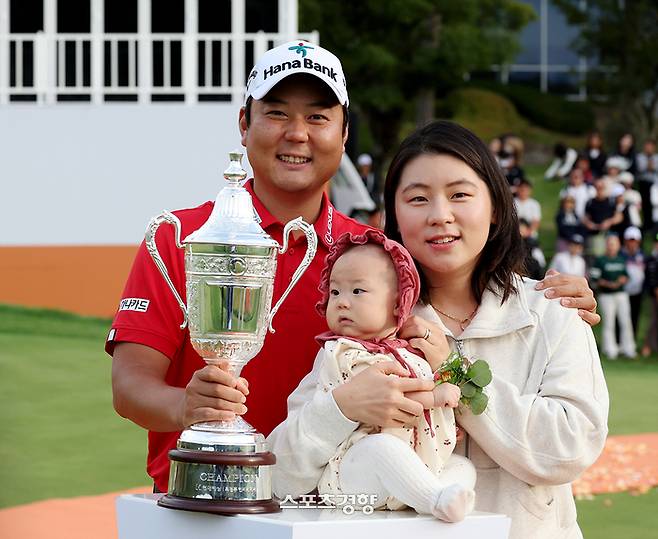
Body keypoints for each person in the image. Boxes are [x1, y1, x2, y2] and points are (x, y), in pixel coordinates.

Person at [108, 42, 600, 495]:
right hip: (201, 499)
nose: (296, 133)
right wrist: (187, 406)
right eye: (276, 113)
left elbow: (458, 286)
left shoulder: (375, 255)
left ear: (343, 135)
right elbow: (129, 387)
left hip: (331, 509)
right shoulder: (183, 236)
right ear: (244, 123)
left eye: (318, 117)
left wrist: (550, 296)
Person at [268, 120, 608, 539]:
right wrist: (340, 408)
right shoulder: (362, 325)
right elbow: (279, 479)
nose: (439, 215)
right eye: (417, 198)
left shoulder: (552, 312)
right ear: (392, 215)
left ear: (496, 208)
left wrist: (455, 370)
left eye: (460, 194)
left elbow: (570, 447)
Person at [311, 229, 476, 521]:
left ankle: (446, 498)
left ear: (399, 301)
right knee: (381, 448)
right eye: (335, 291)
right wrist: (435, 397)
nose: (342, 302)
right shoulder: (343, 352)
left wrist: (440, 420)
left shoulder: (411, 351)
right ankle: (435, 499)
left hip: (412, 468)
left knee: (463, 466)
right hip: (356, 473)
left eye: (357, 291)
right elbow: (389, 393)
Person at [590, 234, 636, 359]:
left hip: (621, 294)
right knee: (609, 323)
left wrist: (622, 280)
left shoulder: (621, 259)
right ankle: (610, 349)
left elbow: (626, 276)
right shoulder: (600, 260)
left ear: (618, 246)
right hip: (606, 295)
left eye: (614, 244)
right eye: (610, 244)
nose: (611, 247)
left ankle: (629, 348)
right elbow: (594, 278)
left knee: (625, 321)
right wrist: (606, 283)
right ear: (606, 246)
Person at [641, 233, 658, 357]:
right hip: (654, 295)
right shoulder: (651, 260)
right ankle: (647, 346)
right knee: (654, 320)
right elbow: (650, 279)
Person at [636, 139, 658, 231]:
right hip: (643, 184)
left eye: (651, 146)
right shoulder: (639, 157)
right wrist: (650, 166)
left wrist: (649, 167)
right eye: (647, 146)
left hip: (655, 185)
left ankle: (654, 227)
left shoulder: (656, 157)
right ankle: (645, 226)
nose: (649, 148)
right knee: (644, 206)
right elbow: (641, 168)